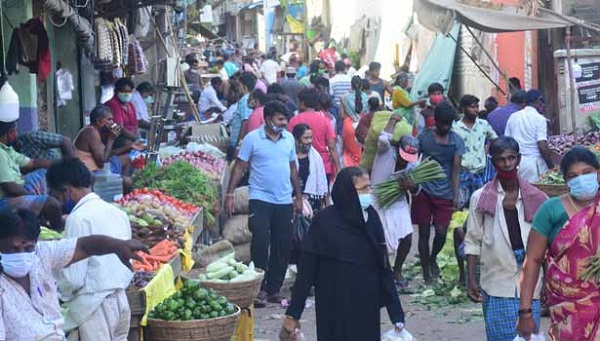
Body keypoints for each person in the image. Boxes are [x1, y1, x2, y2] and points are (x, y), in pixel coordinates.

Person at [281, 167, 406, 340]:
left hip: (366, 304)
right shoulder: (323, 223)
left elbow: (383, 265)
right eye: (362, 189)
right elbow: (306, 272)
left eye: (369, 187)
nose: (368, 193)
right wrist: (293, 314)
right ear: (346, 192)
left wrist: (396, 314)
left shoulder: (371, 218)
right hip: (333, 305)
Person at [0, 203, 147, 340]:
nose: (21, 254)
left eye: (28, 248)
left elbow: (85, 246)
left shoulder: (42, 254)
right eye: (13, 249)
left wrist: (118, 246)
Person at [465, 137, 547, 341]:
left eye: (511, 158)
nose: (508, 164)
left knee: (528, 335)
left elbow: (546, 246)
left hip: (530, 278)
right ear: (493, 162)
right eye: (501, 159)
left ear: (519, 159)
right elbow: (473, 241)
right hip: (496, 279)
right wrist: (471, 280)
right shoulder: (480, 198)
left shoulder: (538, 198)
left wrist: (547, 281)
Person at [517, 146, 600, 340]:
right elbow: (533, 261)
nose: (581, 179)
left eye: (587, 173)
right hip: (567, 310)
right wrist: (525, 312)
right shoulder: (550, 210)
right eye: (573, 175)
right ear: (566, 181)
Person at [46, 158, 134, 340]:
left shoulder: (77, 218)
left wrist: (59, 295)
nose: (59, 202)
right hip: (121, 301)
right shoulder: (117, 212)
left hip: (95, 308)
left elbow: (73, 278)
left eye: (57, 196)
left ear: (67, 191)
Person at [225, 100, 303, 306]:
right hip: (260, 198)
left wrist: (299, 197)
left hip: (284, 200)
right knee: (260, 242)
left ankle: (274, 288)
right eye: (280, 119)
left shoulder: (288, 140)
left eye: (286, 119)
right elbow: (240, 167)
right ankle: (258, 287)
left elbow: (293, 169)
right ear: (268, 119)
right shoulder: (252, 139)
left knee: (282, 245)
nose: (284, 123)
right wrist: (230, 194)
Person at [412, 102, 465, 283]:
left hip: (445, 193)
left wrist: (456, 195)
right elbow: (413, 159)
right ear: (436, 121)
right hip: (424, 191)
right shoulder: (424, 137)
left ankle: (433, 257)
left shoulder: (456, 141)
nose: (445, 127)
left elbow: (456, 170)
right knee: (424, 232)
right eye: (442, 123)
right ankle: (426, 272)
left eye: (448, 124)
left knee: (441, 233)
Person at [371, 115, 420, 287]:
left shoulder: (412, 165)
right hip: (377, 199)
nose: (405, 159)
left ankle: (397, 270)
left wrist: (411, 186)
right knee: (379, 239)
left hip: (398, 201)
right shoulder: (385, 152)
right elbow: (384, 138)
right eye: (403, 155)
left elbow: (417, 190)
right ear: (398, 149)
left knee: (407, 237)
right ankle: (380, 271)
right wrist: (392, 121)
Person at [0, 121, 62, 230]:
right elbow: (10, 187)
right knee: (51, 204)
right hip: (5, 200)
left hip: (19, 189)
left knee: (46, 172)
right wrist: (34, 197)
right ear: (8, 133)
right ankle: (58, 230)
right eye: (15, 130)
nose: (16, 134)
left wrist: (61, 166)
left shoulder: (6, 149)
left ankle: (47, 214)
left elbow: (32, 163)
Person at [73, 106, 133, 191]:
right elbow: (102, 162)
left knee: (126, 159)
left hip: (100, 167)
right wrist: (111, 139)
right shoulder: (91, 132)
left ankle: (118, 187)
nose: (112, 122)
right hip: (91, 173)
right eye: (109, 120)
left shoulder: (97, 131)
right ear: (99, 121)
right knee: (127, 182)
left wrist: (129, 147)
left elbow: (107, 154)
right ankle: (119, 188)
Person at [454, 95, 498, 209]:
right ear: (463, 109)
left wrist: (486, 149)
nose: (476, 110)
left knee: (478, 207)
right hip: (462, 173)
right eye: (473, 107)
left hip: (479, 173)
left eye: (477, 107)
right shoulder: (455, 128)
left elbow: (494, 138)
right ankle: (461, 227)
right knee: (460, 208)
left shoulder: (483, 124)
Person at [289, 88, 342, 181]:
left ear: (302, 103)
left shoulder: (294, 121)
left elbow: (289, 144)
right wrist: (338, 168)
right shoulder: (325, 121)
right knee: (323, 193)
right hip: (323, 164)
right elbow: (332, 147)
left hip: (301, 164)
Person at [505, 90, 554, 183]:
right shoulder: (540, 119)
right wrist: (551, 165)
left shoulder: (513, 117)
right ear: (539, 101)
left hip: (517, 163)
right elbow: (542, 145)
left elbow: (507, 142)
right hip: (534, 165)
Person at [292, 123, 328, 213]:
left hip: (313, 203)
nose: (309, 141)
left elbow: (322, 183)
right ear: (296, 139)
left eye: (310, 138)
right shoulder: (289, 157)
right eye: (306, 138)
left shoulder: (315, 157)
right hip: (291, 202)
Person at [228, 72, 257, 160]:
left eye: (239, 86)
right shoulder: (244, 99)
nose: (238, 88)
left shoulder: (245, 101)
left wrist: (239, 144)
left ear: (244, 87)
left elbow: (245, 122)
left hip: (238, 143)